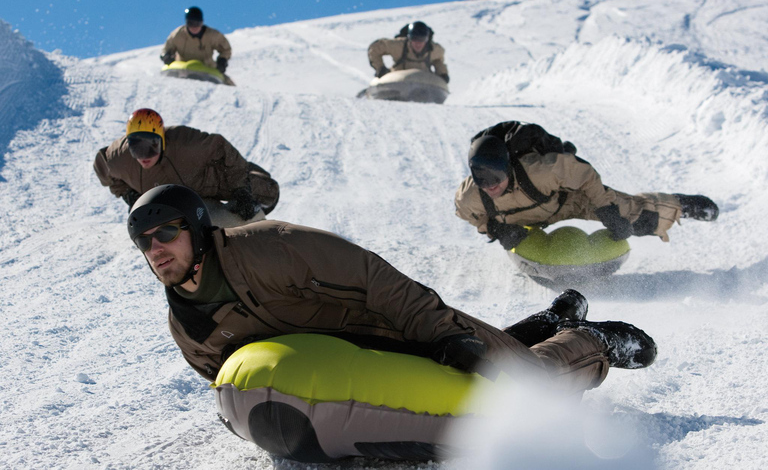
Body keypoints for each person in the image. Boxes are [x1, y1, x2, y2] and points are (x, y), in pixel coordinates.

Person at [127, 184, 658, 396]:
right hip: (360, 367)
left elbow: (378, 282)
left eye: (166, 232)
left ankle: (591, 341)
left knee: (530, 384)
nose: (156, 249)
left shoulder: (270, 248)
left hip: (403, 325)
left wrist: (444, 337)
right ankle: (549, 319)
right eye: (143, 241)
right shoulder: (186, 326)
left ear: (196, 228)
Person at [455, 120, 719, 250]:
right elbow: (470, 216)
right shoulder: (470, 197)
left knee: (638, 219)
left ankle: (680, 205)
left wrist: (606, 210)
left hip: (567, 200)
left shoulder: (542, 171)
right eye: (481, 178)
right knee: (503, 224)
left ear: (507, 168)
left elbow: (585, 175)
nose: (490, 186)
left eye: (495, 177)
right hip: (525, 218)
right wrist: (494, 228)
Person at [94, 108, 278, 228]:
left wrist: (241, 190)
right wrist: (129, 194)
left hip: (214, 181)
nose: (144, 156)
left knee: (267, 192)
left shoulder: (185, 143)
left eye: (151, 146)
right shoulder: (119, 158)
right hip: (180, 194)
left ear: (162, 139)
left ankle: (250, 206)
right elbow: (102, 168)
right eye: (136, 149)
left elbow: (222, 149)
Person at [367, 21, 450, 83]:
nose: (418, 43)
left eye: (422, 40)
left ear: (427, 40)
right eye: (415, 39)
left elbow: (438, 60)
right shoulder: (399, 45)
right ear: (409, 39)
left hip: (424, 84)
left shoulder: (434, 50)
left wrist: (442, 73)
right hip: (397, 82)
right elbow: (375, 49)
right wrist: (380, 68)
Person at [160, 6, 232, 76]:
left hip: (207, 69)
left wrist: (222, 60)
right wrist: (166, 56)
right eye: (190, 23)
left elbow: (226, 49)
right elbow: (166, 49)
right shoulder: (178, 35)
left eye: (197, 24)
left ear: (202, 22)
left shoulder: (213, 35)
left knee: (227, 82)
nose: (194, 27)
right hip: (181, 69)